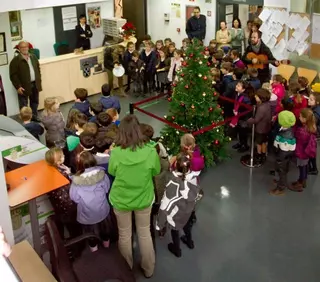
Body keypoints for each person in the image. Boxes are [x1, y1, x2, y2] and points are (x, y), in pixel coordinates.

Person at [108, 114, 160, 278]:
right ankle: (149, 268)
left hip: (122, 199)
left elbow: (112, 171)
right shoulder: (150, 151)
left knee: (124, 235)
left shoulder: (116, 153)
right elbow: (156, 171)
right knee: (144, 233)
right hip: (144, 198)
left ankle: (126, 269)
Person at [157, 152, 201, 258]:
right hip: (188, 210)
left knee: (175, 230)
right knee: (186, 225)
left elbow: (165, 204)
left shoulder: (173, 182)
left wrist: (159, 224)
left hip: (176, 212)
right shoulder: (193, 176)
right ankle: (189, 242)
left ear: (175, 165)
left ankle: (177, 249)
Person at [70, 151, 111, 252]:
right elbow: (106, 189)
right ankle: (107, 247)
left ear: (79, 164)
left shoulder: (76, 182)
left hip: (87, 214)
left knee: (90, 234)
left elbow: (74, 198)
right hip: (102, 210)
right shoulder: (103, 175)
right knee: (105, 230)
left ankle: (94, 251)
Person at [45, 148, 81, 239]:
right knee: (75, 231)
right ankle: (78, 248)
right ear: (58, 161)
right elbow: (70, 191)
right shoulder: (62, 175)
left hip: (58, 208)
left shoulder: (50, 171)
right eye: (62, 156)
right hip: (69, 209)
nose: (64, 156)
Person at [9, 41, 42, 122]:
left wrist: (39, 80)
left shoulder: (33, 57)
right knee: (24, 104)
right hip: (23, 86)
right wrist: (18, 86)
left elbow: (38, 69)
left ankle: (34, 116)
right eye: (22, 47)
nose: (24, 49)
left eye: (25, 47)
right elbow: (13, 75)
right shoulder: (15, 60)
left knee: (35, 102)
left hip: (35, 83)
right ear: (19, 49)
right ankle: (26, 120)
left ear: (28, 47)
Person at [270, 110, 297, 196]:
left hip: (282, 156)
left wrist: (279, 159)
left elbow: (285, 150)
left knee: (281, 170)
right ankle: (281, 181)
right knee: (282, 170)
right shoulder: (285, 129)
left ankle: (281, 187)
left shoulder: (286, 136)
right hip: (282, 154)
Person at [290, 108, 317, 192]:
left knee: (302, 167)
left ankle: (301, 182)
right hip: (306, 152)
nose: (299, 117)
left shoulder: (302, 130)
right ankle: (302, 180)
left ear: (305, 119)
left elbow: (296, 137)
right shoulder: (311, 127)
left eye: (301, 116)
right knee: (304, 166)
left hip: (301, 152)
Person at [247, 89, 272, 164]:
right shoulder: (267, 104)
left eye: (257, 96)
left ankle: (259, 155)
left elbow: (256, 120)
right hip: (266, 127)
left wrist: (249, 120)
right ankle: (263, 155)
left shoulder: (261, 108)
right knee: (264, 141)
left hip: (260, 129)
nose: (255, 96)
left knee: (259, 143)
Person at [230, 80, 252, 152]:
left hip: (243, 119)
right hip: (238, 118)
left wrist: (239, 112)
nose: (236, 86)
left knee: (243, 133)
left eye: (239, 86)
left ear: (243, 89)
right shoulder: (237, 95)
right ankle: (240, 143)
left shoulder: (246, 99)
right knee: (239, 132)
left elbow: (248, 111)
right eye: (237, 85)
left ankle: (245, 145)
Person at [308, 92, 320, 175]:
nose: (308, 100)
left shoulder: (315, 113)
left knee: (311, 151)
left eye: (311, 99)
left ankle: (314, 169)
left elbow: (312, 126)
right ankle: (313, 168)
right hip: (315, 134)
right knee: (312, 151)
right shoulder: (315, 108)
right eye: (309, 98)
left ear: (317, 102)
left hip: (314, 134)